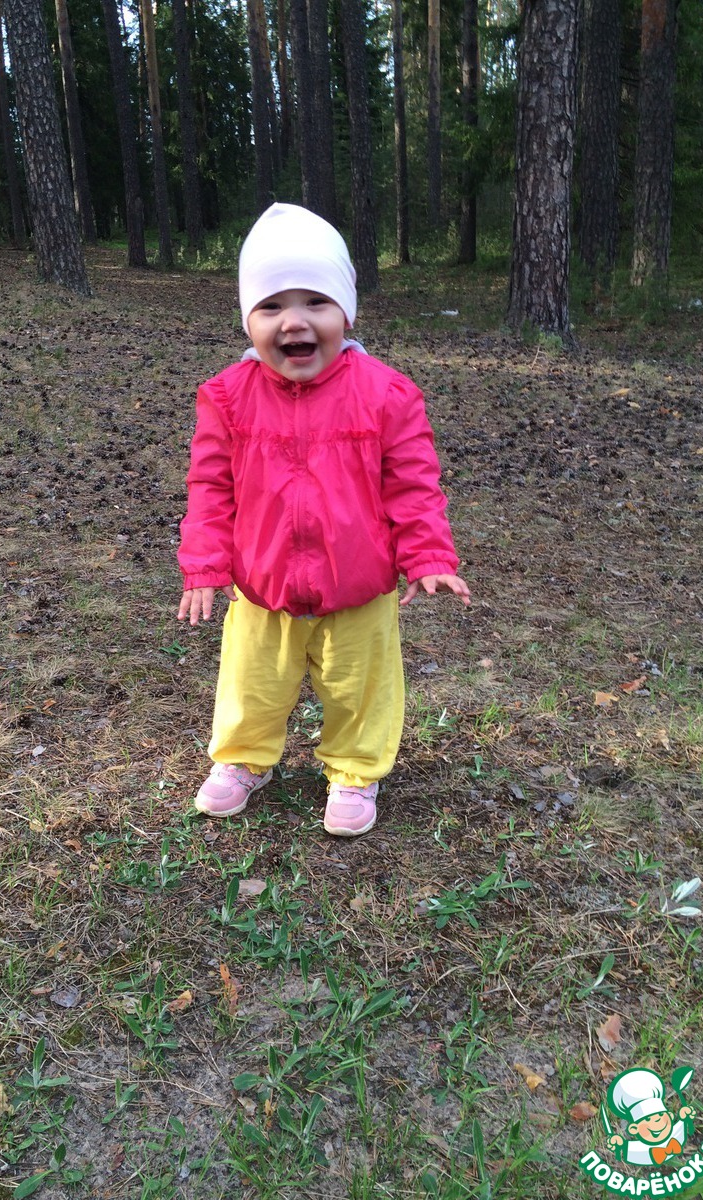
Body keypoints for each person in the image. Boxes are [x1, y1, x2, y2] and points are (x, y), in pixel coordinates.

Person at [177, 203, 470, 836]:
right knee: (252, 683)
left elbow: (414, 486)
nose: (294, 321)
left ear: (347, 311)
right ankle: (243, 758)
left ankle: (356, 770)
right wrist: (204, 565)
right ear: (248, 320)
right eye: (271, 306)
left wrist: (428, 555)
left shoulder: (388, 394)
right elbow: (209, 489)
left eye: (316, 301)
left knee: (360, 687)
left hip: (358, 585)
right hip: (261, 585)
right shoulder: (226, 397)